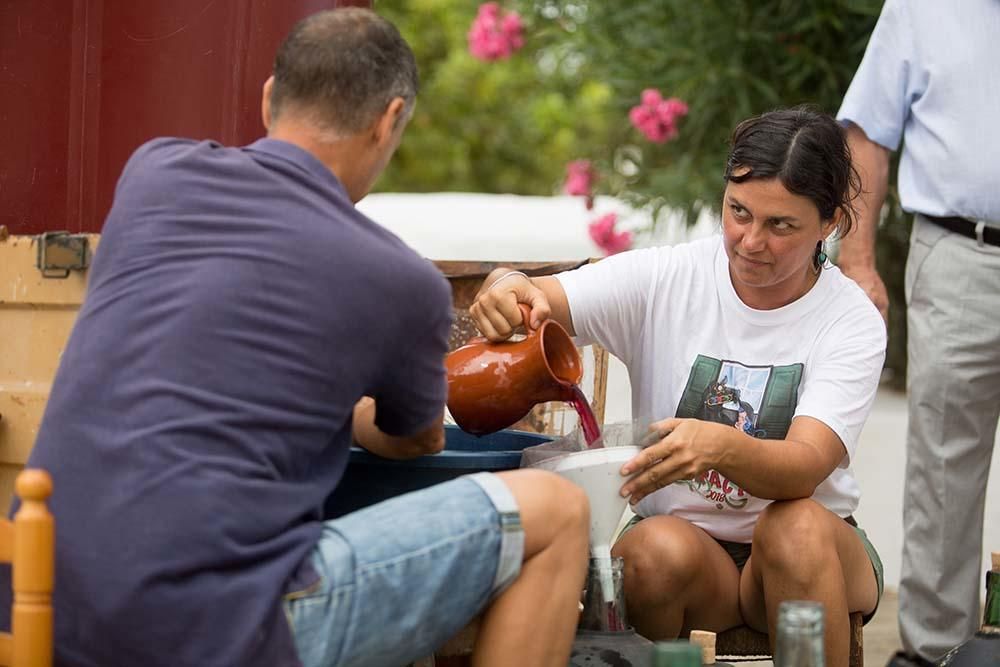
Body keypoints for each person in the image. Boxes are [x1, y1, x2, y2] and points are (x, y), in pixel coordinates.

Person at [2, 9, 590, 667]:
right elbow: (417, 440)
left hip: (39, 601)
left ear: (267, 98)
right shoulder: (398, 279)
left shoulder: (153, 172)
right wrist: (355, 413)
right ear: (389, 120)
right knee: (558, 511)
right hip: (204, 633)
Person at [470, 107, 887, 667]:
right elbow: (536, 293)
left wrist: (717, 445)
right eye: (738, 212)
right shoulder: (668, 276)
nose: (749, 241)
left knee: (795, 527)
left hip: (815, 556)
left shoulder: (849, 319)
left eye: (780, 225)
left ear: (831, 223)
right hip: (690, 554)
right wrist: (507, 288)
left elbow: (806, 466)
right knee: (647, 551)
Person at [835, 1, 1000, 662]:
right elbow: (868, 131)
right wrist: (858, 260)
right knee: (942, 455)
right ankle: (936, 652)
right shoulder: (923, 5)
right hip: (959, 252)